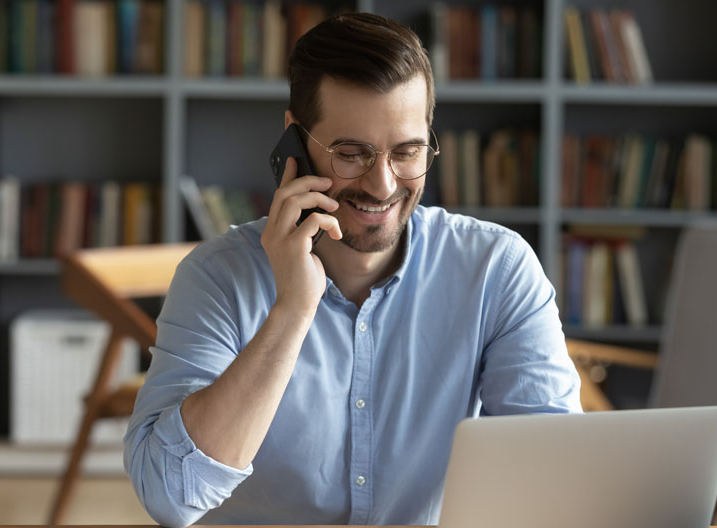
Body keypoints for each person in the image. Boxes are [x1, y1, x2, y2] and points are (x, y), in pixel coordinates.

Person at [124, 12, 581, 528]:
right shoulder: (216, 278)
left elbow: (553, 475)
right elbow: (170, 495)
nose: (383, 185)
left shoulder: (496, 269)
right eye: (352, 153)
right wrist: (293, 310)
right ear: (294, 142)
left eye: (406, 152)